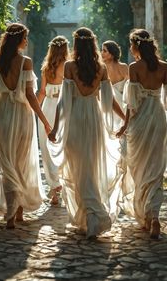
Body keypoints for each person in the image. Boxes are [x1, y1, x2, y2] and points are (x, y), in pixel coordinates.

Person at [47, 27, 125, 239]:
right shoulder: (101, 68)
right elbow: (109, 101)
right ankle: (90, 216)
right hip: (93, 120)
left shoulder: (70, 66)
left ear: (76, 44)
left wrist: (55, 128)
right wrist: (125, 119)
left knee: (77, 168)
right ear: (92, 44)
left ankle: (91, 215)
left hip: (74, 121)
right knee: (89, 167)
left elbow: (63, 102)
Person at [0, 23, 51, 229]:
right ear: (19, 40)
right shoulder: (25, 63)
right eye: (25, 37)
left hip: (1, 113)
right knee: (20, 162)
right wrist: (44, 120)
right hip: (21, 115)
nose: (26, 41)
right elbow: (29, 94)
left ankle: (13, 211)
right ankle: (16, 212)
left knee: (6, 162)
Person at [116, 28, 167, 239]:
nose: (130, 48)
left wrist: (125, 125)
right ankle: (154, 216)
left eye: (131, 44)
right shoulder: (163, 67)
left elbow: (131, 103)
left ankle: (147, 215)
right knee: (156, 169)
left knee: (139, 169)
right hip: (157, 119)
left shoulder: (134, 67)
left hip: (140, 122)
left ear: (136, 46)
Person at [37, 36, 70, 205]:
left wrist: (34, 109)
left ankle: (54, 189)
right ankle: (64, 185)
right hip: (64, 109)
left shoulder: (46, 68)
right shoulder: (69, 67)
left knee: (47, 148)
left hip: (48, 109)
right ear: (65, 49)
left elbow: (41, 92)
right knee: (64, 147)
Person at [101, 40, 128, 130]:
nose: (101, 53)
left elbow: (131, 87)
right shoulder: (101, 69)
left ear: (112, 53)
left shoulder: (123, 67)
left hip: (121, 105)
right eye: (102, 50)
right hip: (107, 106)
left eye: (104, 51)